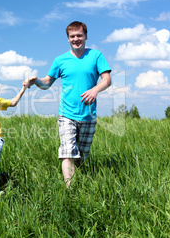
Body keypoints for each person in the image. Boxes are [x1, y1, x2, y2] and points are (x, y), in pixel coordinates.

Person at [24, 21, 112, 188]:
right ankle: (70, 191)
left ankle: (82, 182)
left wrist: (95, 90)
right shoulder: (60, 60)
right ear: (68, 39)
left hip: (88, 115)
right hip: (66, 114)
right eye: (72, 36)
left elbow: (107, 80)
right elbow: (47, 83)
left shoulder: (96, 56)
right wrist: (36, 81)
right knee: (67, 151)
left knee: (82, 157)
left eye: (79, 35)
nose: (76, 39)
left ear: (85, 36)